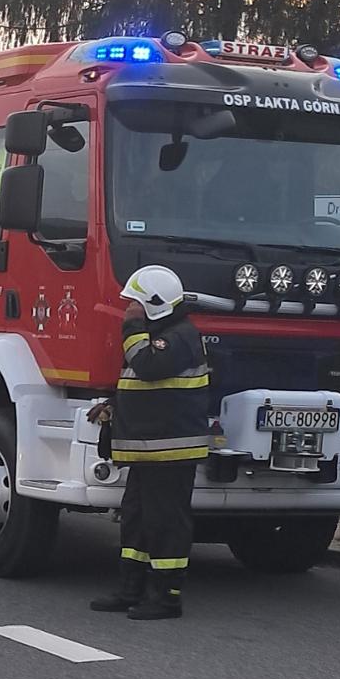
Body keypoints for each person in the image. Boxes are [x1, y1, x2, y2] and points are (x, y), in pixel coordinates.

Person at [86, 265, 211, 621]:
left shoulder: (179, 336)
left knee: (166, 522)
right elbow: (142, 385)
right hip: (149, 449)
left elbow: (147, 367)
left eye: (135, 304)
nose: (128, 310)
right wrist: (112, 404)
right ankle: (131, 589)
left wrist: (132, 327)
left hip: (171, 450)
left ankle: (168, 598)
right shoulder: (158, 335)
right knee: (136, 519)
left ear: (154, 305)